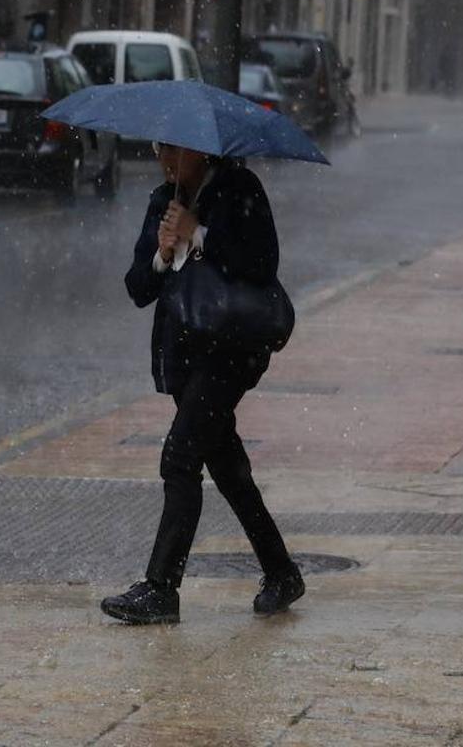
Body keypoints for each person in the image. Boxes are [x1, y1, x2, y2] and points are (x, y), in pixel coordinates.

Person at [100, 141, 303, 625]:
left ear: (202, 151)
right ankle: (282, 573)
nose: (165, 159)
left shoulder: (239, 189)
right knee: (228, 467)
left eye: (174, 150)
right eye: (157, 149)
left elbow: (261, 263)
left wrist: (201, 233)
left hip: (230, 350)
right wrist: (160, 253)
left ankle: (161, 589)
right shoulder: (161, 200)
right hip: (184, 354)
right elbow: (137, 289)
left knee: (180, 458)